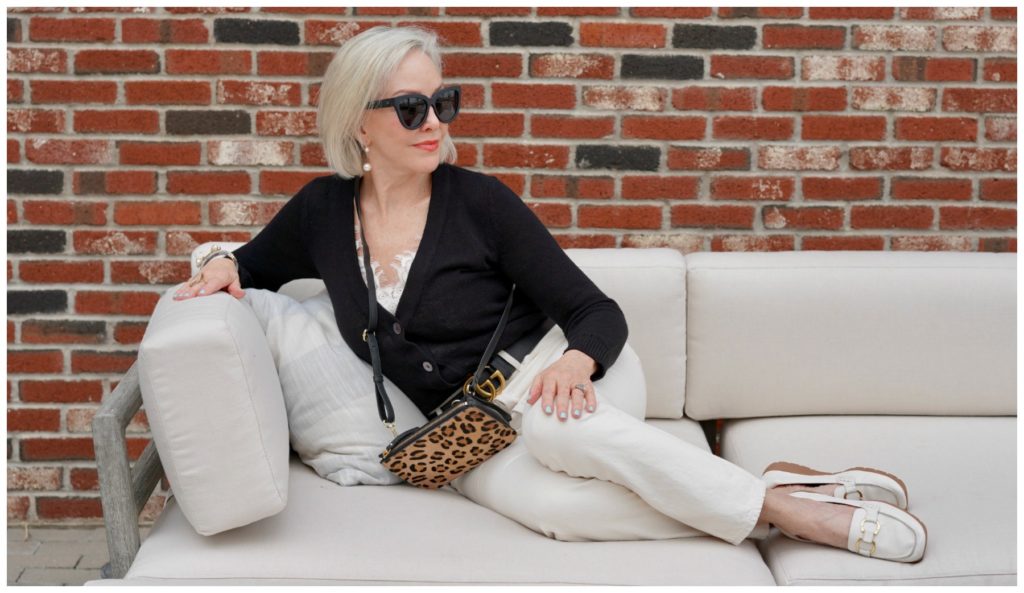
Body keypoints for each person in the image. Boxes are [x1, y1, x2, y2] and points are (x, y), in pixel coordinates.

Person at [173, 25, 927, 563]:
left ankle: (809, 517)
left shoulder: (481, 203)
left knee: (558, 433)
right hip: (472, 435)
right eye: (411, 109)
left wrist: (576, 364)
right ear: (358, 125)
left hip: (563, 378)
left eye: (444, 102)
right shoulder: (320, 213)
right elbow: (248, 264)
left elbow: (599, 311)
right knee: (563, 515)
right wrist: (216, 264)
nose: (434, 122)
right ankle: (771, 492)